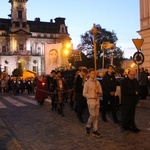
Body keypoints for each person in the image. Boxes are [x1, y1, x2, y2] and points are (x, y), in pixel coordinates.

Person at [83, 68, 103, 138]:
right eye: (92, 73)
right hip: (90, 101)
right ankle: (88, 126)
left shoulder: (97, 82)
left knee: (97, 116)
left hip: (97, 101)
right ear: (89, 74)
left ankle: (95, 130)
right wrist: (92, 95)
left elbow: (101, 91)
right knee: (93, 115)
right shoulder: (87, 83)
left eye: (94, 73)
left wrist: (98, 91)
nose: (93, 74)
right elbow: (84, 94)